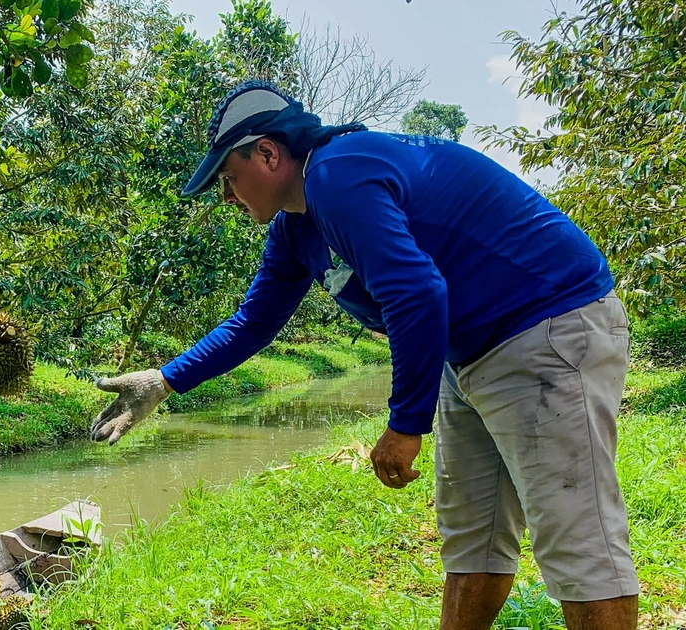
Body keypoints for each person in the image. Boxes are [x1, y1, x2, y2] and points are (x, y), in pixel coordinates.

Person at [90, 80, 638, 630]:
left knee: (576, 540)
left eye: (230, 178)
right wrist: (162, 381)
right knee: (474, 532)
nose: (227, 196)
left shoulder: (338, 172)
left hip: (546, 325)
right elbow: (253, 323)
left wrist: (405, 424)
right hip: (467, 353)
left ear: (268, 152)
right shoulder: (293, 230)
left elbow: (417, 292)